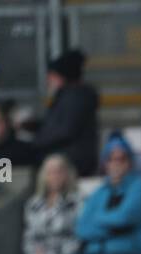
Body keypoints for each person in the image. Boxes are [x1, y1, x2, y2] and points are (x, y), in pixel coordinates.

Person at [52, 133, 141, 254]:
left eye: (121, 159)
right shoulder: (100, 192)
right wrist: (115, 229)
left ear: (130, 162)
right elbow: (82, 228)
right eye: (111, 159)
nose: (116, 163)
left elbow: (125, 218)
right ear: (105, 163)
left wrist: (98, 220)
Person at [32, 49, 99, 177]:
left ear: (61, 76)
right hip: (67, 157)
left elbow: (65, 130)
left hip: (72, 161)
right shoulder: (68, 97)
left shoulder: (75, 97)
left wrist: (35, 143)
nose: (48, 80)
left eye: (51, 75)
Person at [22, 154, 81, 254]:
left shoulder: (77, 201)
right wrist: (34, 253)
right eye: (50, 172)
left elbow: (79, 236)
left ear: (67, 174)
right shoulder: (33, 204)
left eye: (59, 172)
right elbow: (28, 237)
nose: (55, 176)